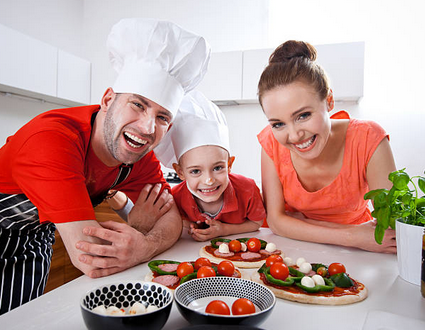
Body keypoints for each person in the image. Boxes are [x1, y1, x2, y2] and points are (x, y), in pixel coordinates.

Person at [0, 18, 210, 314]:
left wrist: (144, 245)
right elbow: (91, 257)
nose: (148, 127)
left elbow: (171, 217)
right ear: (108, 100)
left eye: (162, 117)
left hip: (34, 237)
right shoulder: (52, 140)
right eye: (138, 104)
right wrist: (138, 230)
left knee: (21, 318)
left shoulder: (138, 156)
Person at [257, 40, 397, 253]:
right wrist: (352, 234)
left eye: (303, 115)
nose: (294, 135)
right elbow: (275, 222)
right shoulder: (271, 142)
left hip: (361, 253)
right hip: (295, 249)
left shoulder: (369, 138)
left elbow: (392, 230)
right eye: (278, 124)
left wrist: (297, 224)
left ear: (329, 101)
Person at [155, 90, 265, 241]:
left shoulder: (248, 190)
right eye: (195, 171)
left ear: (229, 164)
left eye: (218, 168)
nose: (209, 180)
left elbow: (256, 223)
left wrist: (224, 230)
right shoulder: (176, 198)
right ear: (180, 172)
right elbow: (179, 223)